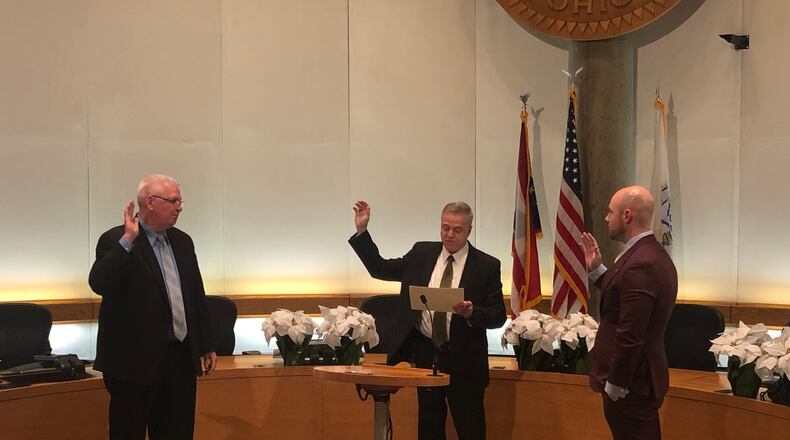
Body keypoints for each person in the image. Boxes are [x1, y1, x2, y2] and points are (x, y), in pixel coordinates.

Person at [349, 200, 505, 440]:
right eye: (445, 228)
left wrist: (472, 313)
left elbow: (497, 315)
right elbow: (380, 268)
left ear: (469, 230)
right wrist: (362, 231)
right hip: (427, 354)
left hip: (465, 359)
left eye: (457, 230)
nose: (450, 234)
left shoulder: (486, 265)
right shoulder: (422, 253)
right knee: (429, 429)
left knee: (470, 429)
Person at [89, 174, 216, 440]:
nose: (179, 207)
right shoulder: (116, 240)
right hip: (133, 364)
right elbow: (99, 282)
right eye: (173, 201)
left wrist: (206, 344)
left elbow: (195, 295)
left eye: (180, 201)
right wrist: (127, 242)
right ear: (150, 202)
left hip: (179, 360)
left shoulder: (183, 242)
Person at [580, 185, 677, 440]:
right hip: (636, 382)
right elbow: (624, 298)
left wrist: (616, 385)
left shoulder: (641, 262)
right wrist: (597, 270)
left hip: (631, 385)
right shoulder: (647, 253)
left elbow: (632, 332)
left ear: (627, 216)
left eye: (610, 212)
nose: (606, 217)